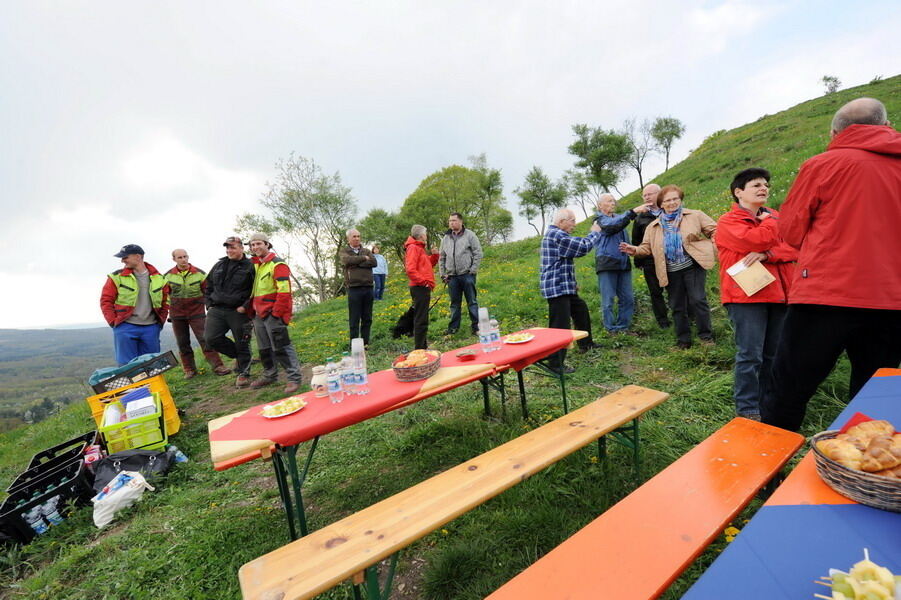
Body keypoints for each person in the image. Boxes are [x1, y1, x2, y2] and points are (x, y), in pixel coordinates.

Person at [761, 97, 901, 431]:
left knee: (788, 391)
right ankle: (863, 475)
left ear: (835, 132)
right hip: (891, 299)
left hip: (826, 295)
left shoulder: (824, 164)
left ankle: (768, 474)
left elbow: (790, 232)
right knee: (877, 401)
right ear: (886, 126)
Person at [715, 168, 797, 420]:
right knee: (750, 354)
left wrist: (769, 254)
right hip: (745, 297)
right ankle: (748, 408)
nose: (764, 188)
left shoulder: (773, 217)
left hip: (778, 294)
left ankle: (767, 402)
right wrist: (771, 226)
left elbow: (796, 247)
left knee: (773, 354)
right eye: (755, 185)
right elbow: (755, 241)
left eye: (765, 184)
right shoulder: (728, 221)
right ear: (739, 192)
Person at [620, 185, 717, 349]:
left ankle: (705, 337)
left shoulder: (695, 215)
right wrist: (634, 250)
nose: (672, 203)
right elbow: (646, 248)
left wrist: (714, 240)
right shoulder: (653, 227)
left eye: (675, 199)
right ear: (661, 204)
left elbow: (714, 230)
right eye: (668, 200)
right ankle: (683, 340)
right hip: (670, 271)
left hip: (692, 266)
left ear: (680, 200)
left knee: (698, 300)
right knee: (677, 306)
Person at [540, 208, 603, 374]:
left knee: (580, 309)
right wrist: (595, 232)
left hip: (563, 285)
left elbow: (564, 261)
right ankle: (555, 364)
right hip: (557, 287)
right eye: (572, 221)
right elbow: (582, 247)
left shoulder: (558, 234)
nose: (574, 224)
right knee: (560, 327)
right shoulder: (556, 235)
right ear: (561, 222)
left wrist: (572, 282)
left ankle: (585, 344)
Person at [247, 233, 303, 394]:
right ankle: (270, 375)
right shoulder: (256, 265)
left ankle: (294, 378)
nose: (255, 247)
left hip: (273, 313)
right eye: (252, 245)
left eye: (258, 244)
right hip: (258, 313)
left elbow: (284, 292)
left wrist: (277, 314)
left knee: (281, 345)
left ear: (267, 244)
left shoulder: (277, 264)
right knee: (264, 347)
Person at [100, 244, 169, 365]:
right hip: (125, 327)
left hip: (151, 328)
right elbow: (106, 301)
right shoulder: (116, 277)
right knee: (127, 367)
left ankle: (151, 385)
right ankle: (135, 385)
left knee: (152, 365)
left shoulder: (160, 279)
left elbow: (166, 302)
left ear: (138, 257)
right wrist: (114, 323)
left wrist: (159, 323)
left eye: (125, 257)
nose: (122, 260)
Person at [165, 249, 229, 379]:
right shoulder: (167, 276)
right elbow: (164, 295)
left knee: (205, 339)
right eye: (179, 257)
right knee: (182, 342)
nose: (183, 259)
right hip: (177, 314)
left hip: (197, 311)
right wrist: (167, 312)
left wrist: (209, 307)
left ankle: (218, 366)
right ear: (174, 259)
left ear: (188, 257)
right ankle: (189, 370)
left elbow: (208, 291)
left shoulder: (200, 274)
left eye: (185, 256)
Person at [205, 236, 256, 389]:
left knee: (243, 342)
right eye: (227, 247)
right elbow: (208, 285)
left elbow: (256, 290)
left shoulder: (251, 266)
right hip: (217, 309)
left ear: (241, 248)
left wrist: (246, 306)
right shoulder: (219, 265)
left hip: (238, 311)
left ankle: (243, 373)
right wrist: (209, 304)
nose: (229, 250)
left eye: (233, 247)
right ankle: (240, 357)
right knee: (211, 338)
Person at [593, 194, 649, 334]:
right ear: (600, 206)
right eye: (609, 201)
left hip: (623, 264)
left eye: (613, 201)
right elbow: (613, 226)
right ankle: (610, 329)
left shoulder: (618, 218)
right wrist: (633, 212)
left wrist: (629, 249)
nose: (613, 203)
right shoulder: (599, 220)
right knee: (608, 300)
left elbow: (620, 227)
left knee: (628, 298)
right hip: (607, 263)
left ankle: (623, 327)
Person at [631, 183, 672, 328]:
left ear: (659, 194)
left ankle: (683, 315)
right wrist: (639, 262)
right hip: (650, 261)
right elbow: (636, 241)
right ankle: (663, 322)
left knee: (675, 289)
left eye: (650, 194)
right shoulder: (640, 218)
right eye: (644, 195)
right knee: (656, 292)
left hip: (671, 258)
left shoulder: (669, 210)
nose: (647, 197)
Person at [439, 212, 483, 336]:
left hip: (467, 275)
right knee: (454, 304)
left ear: (460, 222)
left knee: (472, 302)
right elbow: (441, 257)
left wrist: (473, 270)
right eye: (449, 221)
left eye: (454, 220)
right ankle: (453, 329)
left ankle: (477, 328)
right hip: (452, 277)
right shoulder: (446, 238)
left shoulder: (470, 235)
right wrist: (443, 274)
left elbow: (478, 253)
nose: (451, 223)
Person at [401, 224, 439, 350]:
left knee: (422, 318)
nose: (426, 236)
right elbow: (410, 270)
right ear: (422, 235)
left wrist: (434, 256)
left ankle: (423, 346)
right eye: (426, 233)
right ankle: (420, 349)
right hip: (420, 287)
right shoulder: (413, 248)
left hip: (421, 286)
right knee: (420, 319)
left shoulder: (419, 248)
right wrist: (424, 282)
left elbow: (426, 265)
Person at [339, 229, 377, 346]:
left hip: (368, 287)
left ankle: (365, 343)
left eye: (358, 236)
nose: (357, 238)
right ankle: (354, 344)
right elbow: (346, 261)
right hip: (354, 288)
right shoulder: (344, 251)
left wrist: (355, 264)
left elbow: (374, 262)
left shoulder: (366, 250)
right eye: (354, 236)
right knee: (354, 318)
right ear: (348, 239)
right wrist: (363, 259)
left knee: (367, 317)